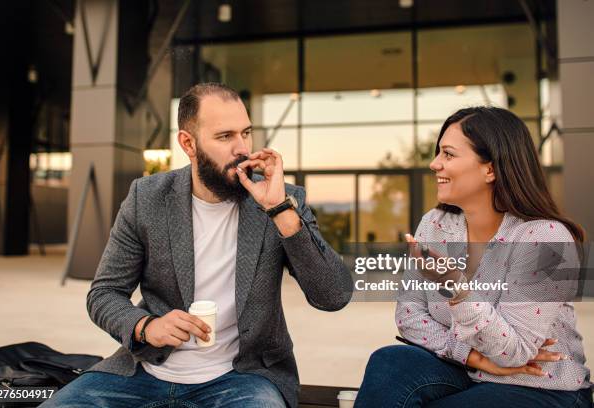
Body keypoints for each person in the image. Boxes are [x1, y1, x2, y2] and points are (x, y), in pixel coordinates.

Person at [42, 83, 353, 408]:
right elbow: (103, 294)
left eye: (245, 133)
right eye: (225, 137)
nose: (242, 149)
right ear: (188, 143)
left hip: (243, 380)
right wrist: (146, 326)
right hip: (144, 374)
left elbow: (333, 296)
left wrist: (279, 212)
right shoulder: (146, 197)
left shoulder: (283, 200)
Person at [355, 107, 592, 407]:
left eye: (448, 154)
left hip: (539, 386)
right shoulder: (436, 223)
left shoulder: (544, 238)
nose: (434, 164)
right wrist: (472, 356)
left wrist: (457, 287)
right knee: (389, 362)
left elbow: (515, 352)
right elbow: (409, 314)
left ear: (490, 169)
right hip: (464, 370)